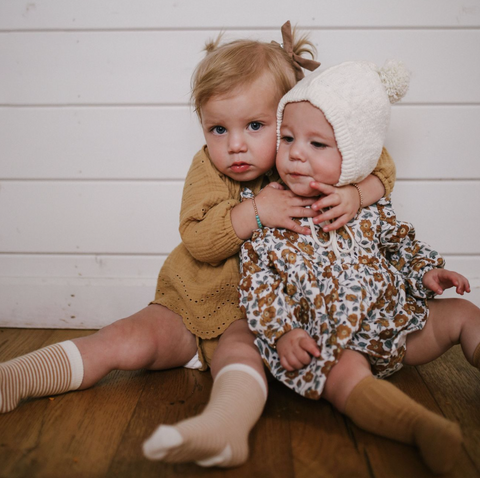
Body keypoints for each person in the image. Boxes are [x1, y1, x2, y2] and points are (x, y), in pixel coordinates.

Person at [0, 23, 395, 467]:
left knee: (238, 353)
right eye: (218, 129)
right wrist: (255, 212)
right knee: (124, 339)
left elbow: (375, 157)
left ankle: (224, 429)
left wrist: (357, 194)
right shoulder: (207, 169)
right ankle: (16, 376)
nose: (236, 145)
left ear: (287, 118)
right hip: (189, 302)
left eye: (255, 125)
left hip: (256, 318)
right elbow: (200, 240)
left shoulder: (304, 156)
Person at [238, 59, 480, 474]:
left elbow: (400, 243)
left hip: (394, 325)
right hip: (325, 338)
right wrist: (283, 332)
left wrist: (426, 273)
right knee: (345, 374)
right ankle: (422, 428)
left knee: (462, 315)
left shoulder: (366, 205)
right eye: (289, 137)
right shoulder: (273, 210)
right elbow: (258, 281)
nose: (296, 152)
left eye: (317, 144)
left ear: (352, 156)